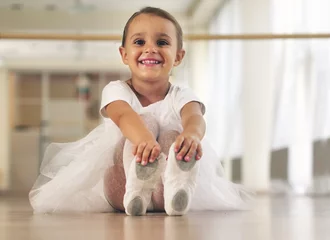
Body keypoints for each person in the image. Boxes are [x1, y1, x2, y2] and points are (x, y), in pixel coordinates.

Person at [29, 6, 251, 216]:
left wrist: (191, 135)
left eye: (162, 42)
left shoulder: (181, 93)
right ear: (124, 54)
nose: (150, 48)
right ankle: (138, 190)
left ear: (179, 56)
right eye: (139, 41)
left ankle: (178, 186)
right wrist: (144, 140)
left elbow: (194, 116)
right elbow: (124, 116)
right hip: (122, 186)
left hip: (165, 188)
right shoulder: (116, 90)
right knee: (144, 121)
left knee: (172, 136)